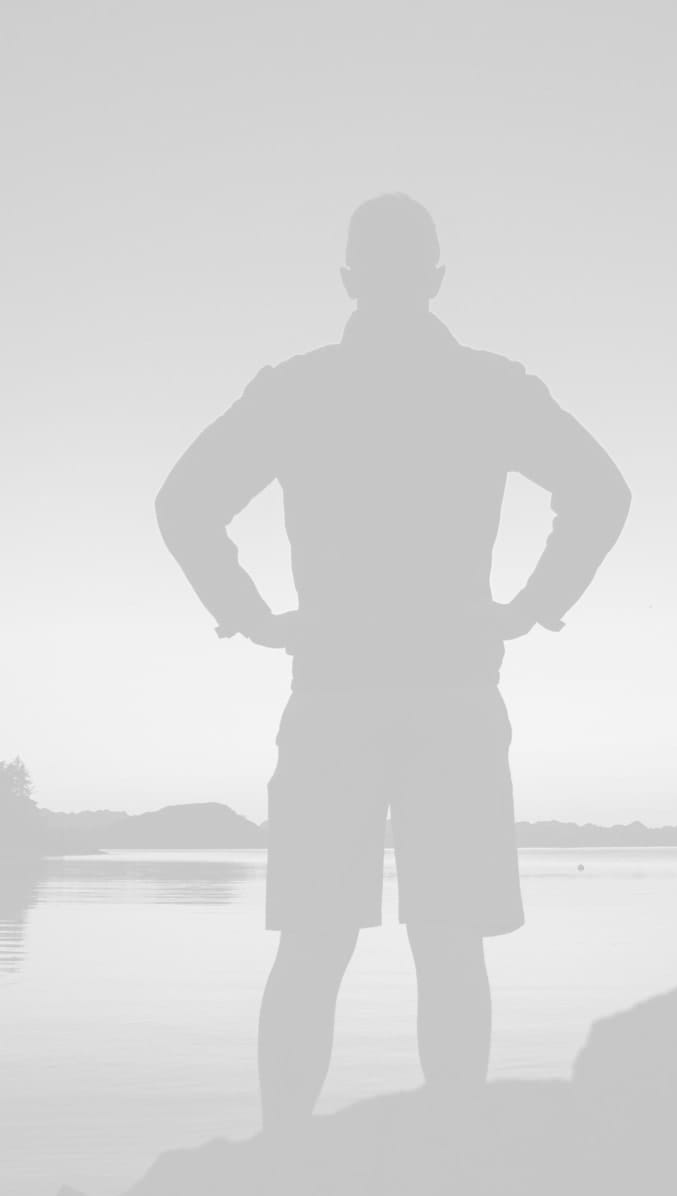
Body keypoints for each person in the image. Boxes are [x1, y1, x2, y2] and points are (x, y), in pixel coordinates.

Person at [155, 193, 631, 1132]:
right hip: (453, 689)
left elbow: (184, 504)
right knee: (450, 942)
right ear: (437, 281)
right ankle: (451, 1156)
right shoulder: (490, 388)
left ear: (348, 281)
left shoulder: (297, 390)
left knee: (313, 943)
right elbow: (601, 492)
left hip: (333, 689)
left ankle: (283, 1154)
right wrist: (535, 606)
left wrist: (247, 615)